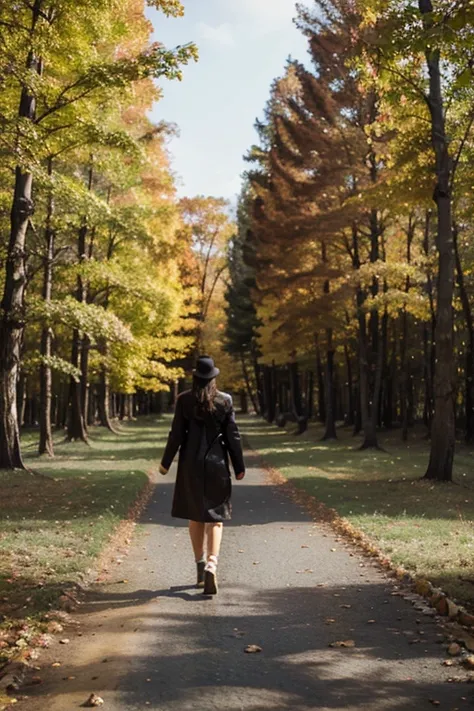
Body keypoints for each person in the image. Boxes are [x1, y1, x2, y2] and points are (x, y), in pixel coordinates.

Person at [159, 356, 245, 595]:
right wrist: (239, 466)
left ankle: (199, 565)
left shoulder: (184, 400)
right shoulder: (225, 401)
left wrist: (165, 463)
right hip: (217, 465)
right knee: (216, 518)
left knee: (195, 517)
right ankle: (211, 565)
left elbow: (175, 434)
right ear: (214, 378)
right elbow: (233, 436)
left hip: (190, 466)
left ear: (195, 377)